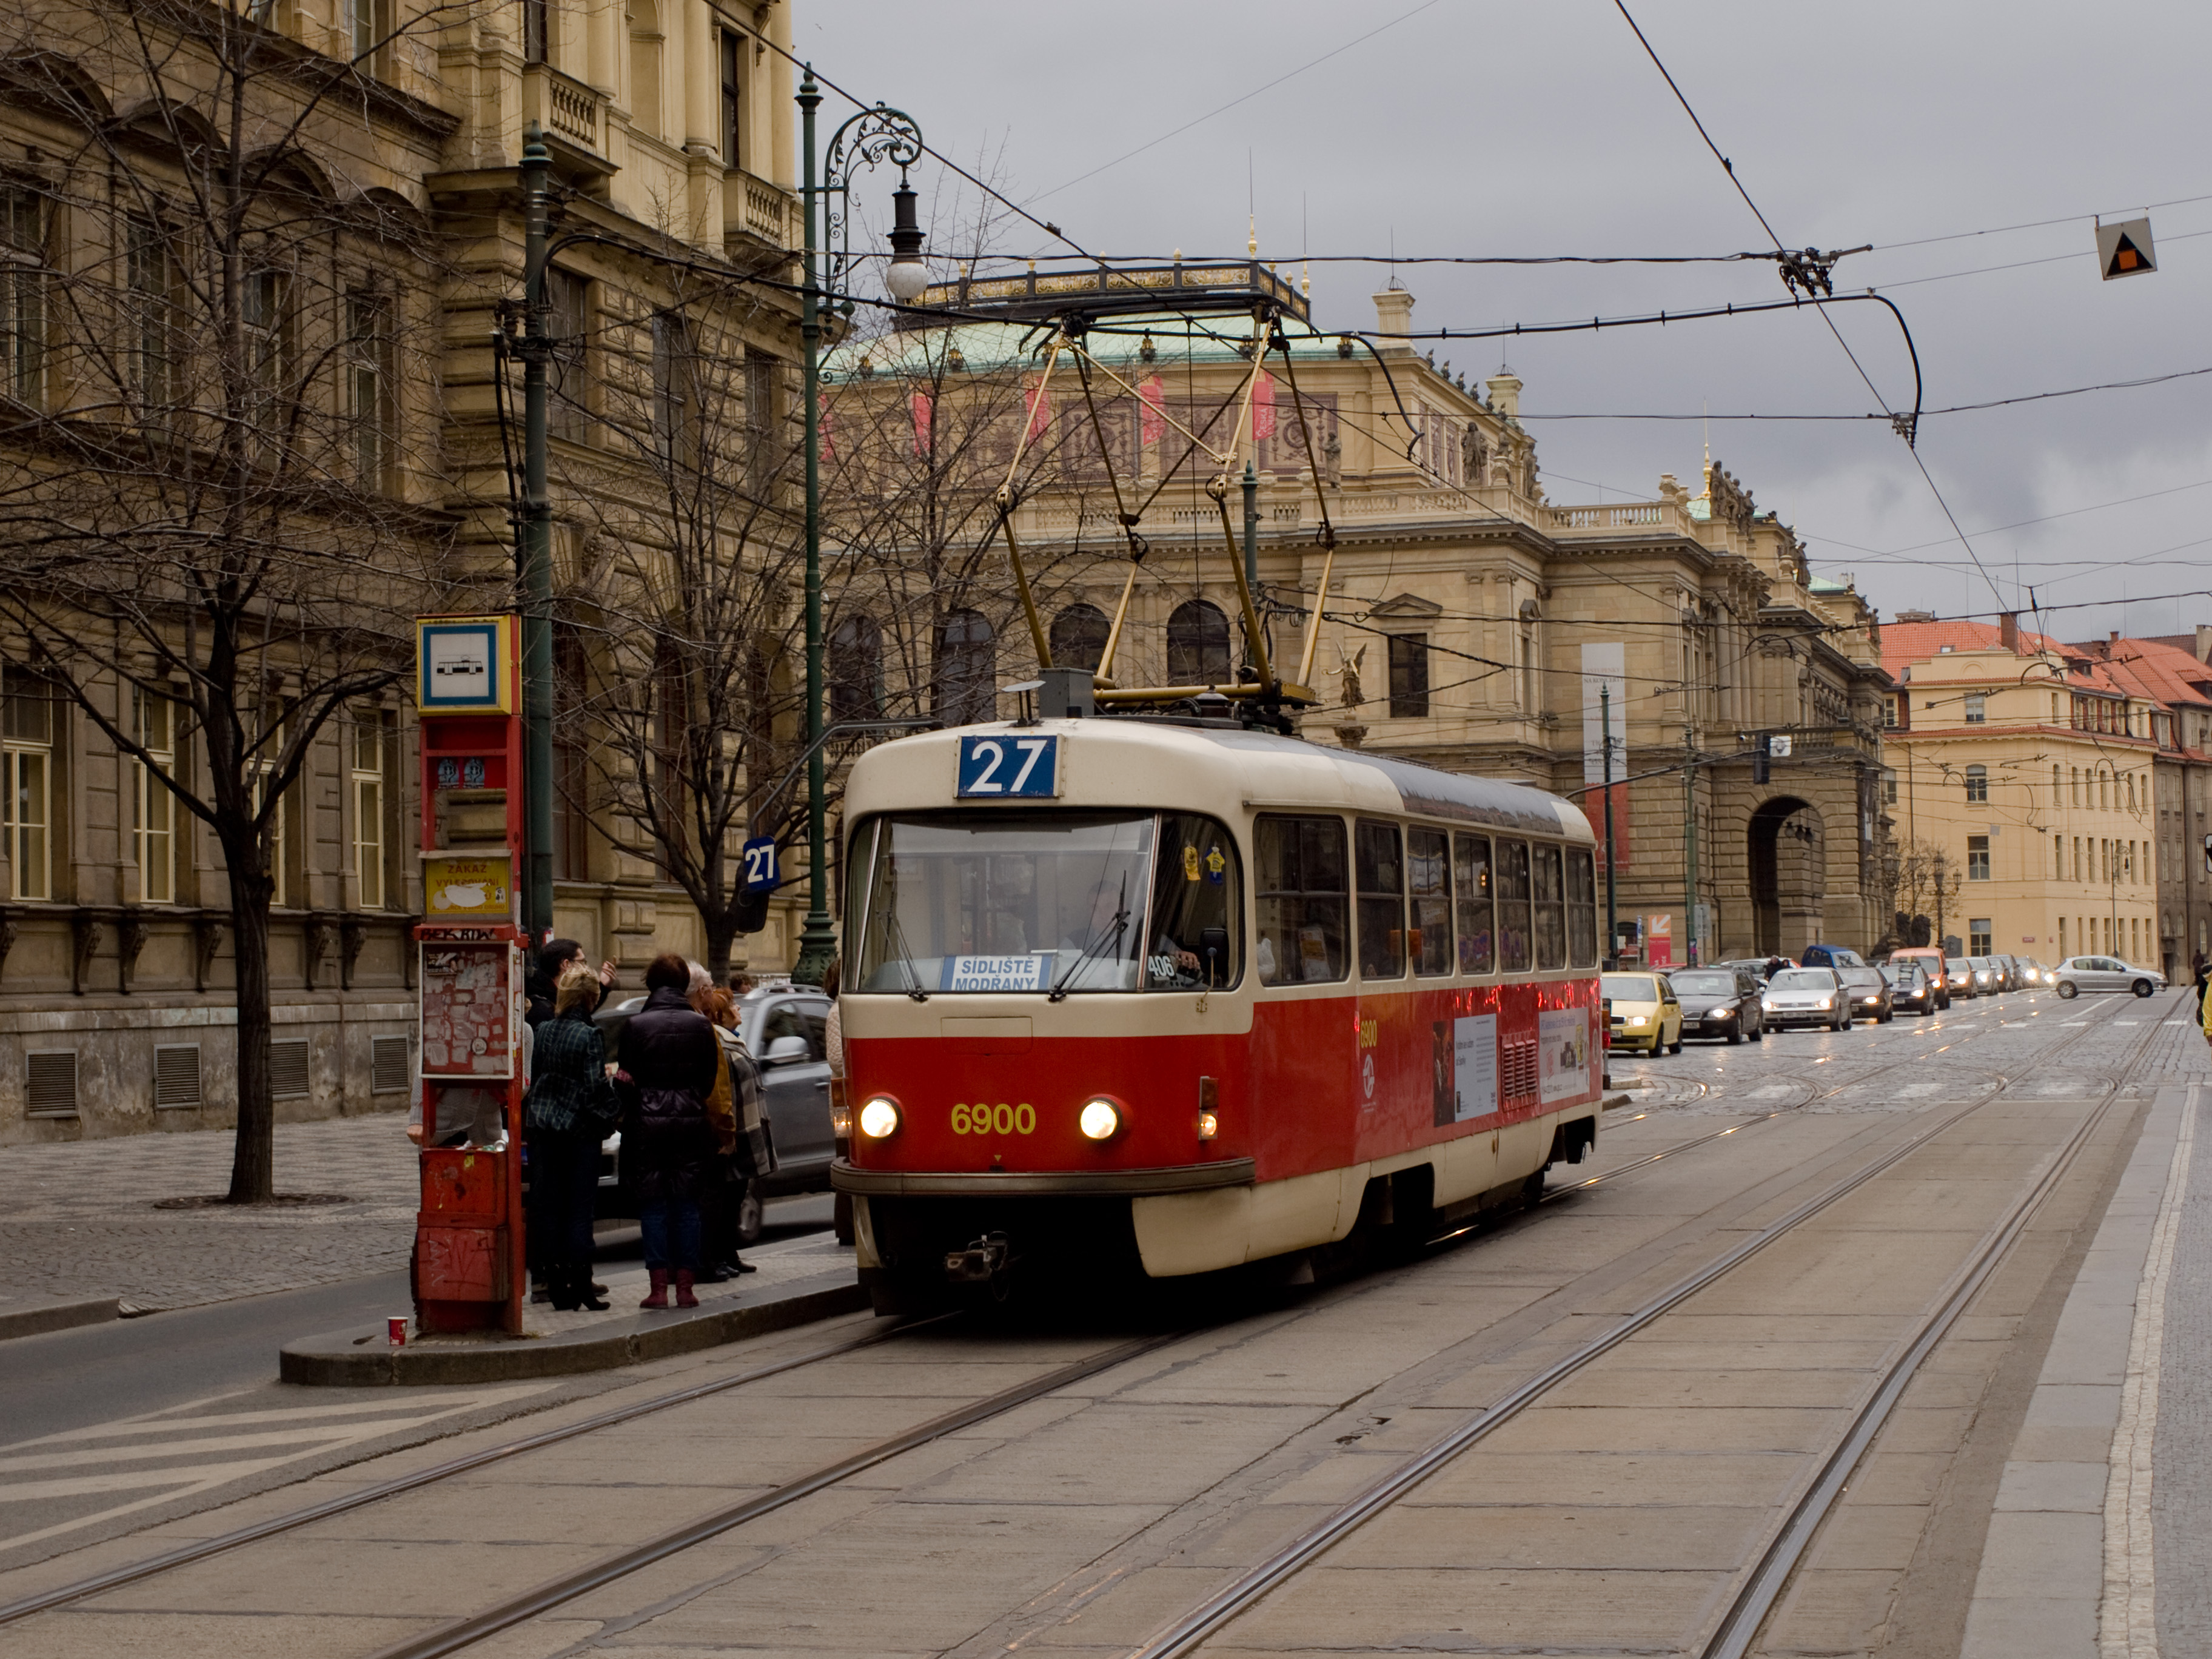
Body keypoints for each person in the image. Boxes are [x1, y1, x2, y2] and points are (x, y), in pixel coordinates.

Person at [620, 953, 724, 1309]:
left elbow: (626, 1077)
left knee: (653, 1203)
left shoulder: (636, 1026)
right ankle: (686, 1287)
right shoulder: (701, 1026)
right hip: (692, 1121)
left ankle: (658, 1289)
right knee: (687, 1203)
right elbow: (709, 1079)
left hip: (647, 1124)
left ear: (651, 983)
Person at [522, 964, 616, 1310]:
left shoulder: (544, 1030)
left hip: (544, 1131)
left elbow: (538, 1077)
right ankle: (582, 1285)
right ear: (590, 999)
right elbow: (594, 1089)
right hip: (579, 1134)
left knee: (550, 1208)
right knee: (579, 1209)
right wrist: (614, 1111)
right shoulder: (589, 1036)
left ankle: (556, 1285)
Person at [526, 938, 617, 1030]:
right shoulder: (542, 1008)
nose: (585, 967)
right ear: (566, 964)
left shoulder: (552, 995)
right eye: (582, 962)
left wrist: (603, 987)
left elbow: (581, 1012)